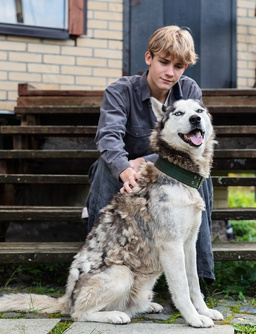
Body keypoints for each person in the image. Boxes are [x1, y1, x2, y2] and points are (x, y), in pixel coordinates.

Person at [85, 25, 215, 285]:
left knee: (203, 177)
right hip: (128, 182)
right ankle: (95, 268)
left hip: (171, 177)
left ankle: (198, 277)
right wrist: (125, 168)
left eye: (178, 66)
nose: (170, 72)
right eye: (164, 62)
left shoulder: (189, 92)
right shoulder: (121, 91)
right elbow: (108, 136)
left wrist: (144, 162)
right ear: (149, 58)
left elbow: (196, 147)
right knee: (103, 167)